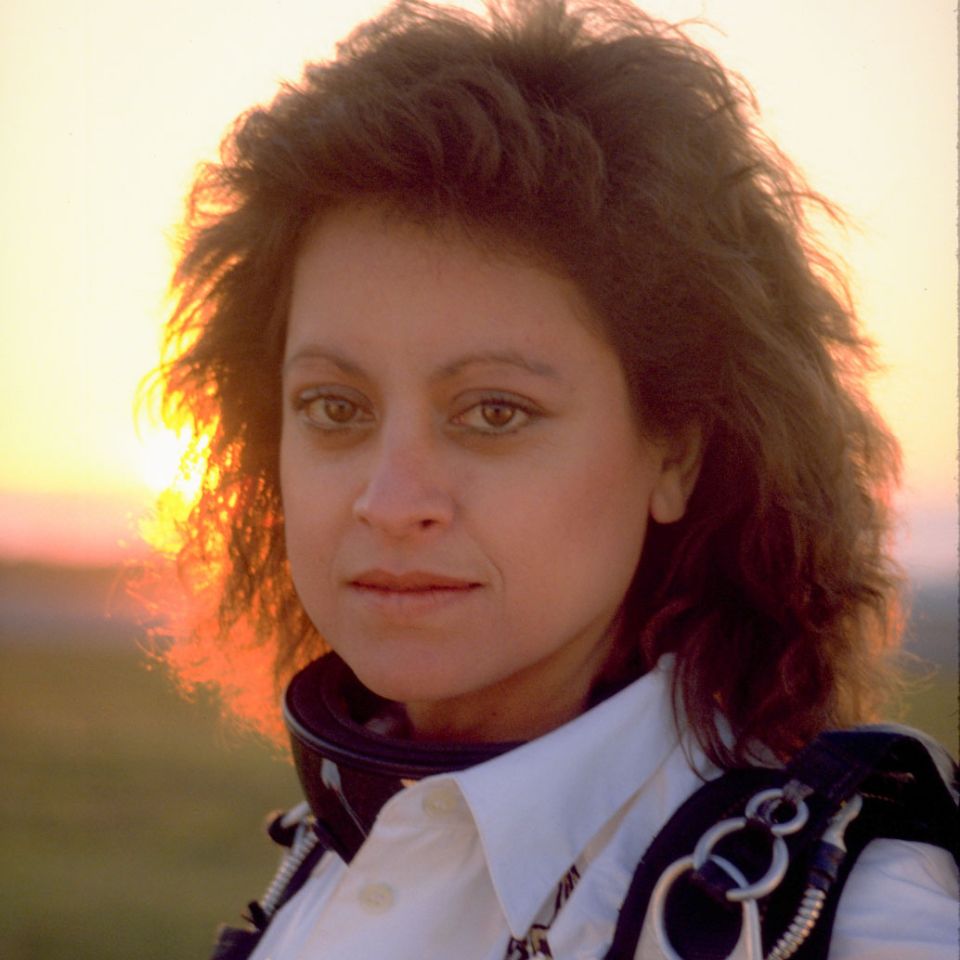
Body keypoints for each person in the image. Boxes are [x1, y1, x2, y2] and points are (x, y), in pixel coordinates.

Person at [146, 1, 958, 957]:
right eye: (334, 408)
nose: (392, 500)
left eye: (495, 412)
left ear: (677, 452)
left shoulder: (861, 924)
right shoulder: (325, 865)